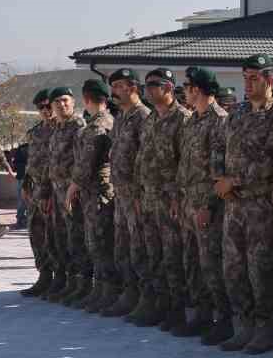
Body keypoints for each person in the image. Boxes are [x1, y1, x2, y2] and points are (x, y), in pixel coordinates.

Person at [215, 55, 273, 353]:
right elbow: (219, 147)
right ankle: (242, 325)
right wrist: (218, 179)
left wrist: (233, 180)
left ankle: (263, 328)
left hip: (260, 205)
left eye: (255, 78)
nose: (248, 84)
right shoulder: (238, 113)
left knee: (260, 269)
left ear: (270, 80)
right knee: (233, 267)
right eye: (245, 78)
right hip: (233, 204)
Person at [135, 69, 192, 331]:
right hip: (148, 198)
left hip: (171, 201)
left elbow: (188, 164)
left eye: (153, 85)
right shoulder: (150, 120)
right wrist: (139, 193)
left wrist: (178, 197)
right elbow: (142, 159)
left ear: (169, 88)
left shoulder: (183, 119)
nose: (147, 90)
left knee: (173, 258)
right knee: (154, 255)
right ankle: (160, 304)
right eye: (146, 85)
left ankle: (177, 310)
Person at [177, 68, 231, 340]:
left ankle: (223, 318)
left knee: (212, 263)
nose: (184, 91)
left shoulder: (219, 120)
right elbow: (186, 165)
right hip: (189, 201)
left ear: (196, 89)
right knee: (193, 262)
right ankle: (201, 313)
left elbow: (219, 170)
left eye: (186, 86)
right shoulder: (193, 120)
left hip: (207, 205)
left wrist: (207, 205)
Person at [103, 68, 150, 318]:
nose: (114, 92)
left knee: (138, 248)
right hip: (120, 193)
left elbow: (145, 159)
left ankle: (146, 298)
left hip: (135, 195)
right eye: (114, 87)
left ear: (132, 87)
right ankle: (129, 293)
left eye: (119, 86)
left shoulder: (144, 117)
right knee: (122, 246)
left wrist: (140, 195)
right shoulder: (122, 117)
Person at [70, 79, 119, 312]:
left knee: (99, 243)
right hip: (100, 192)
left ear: (86, 99)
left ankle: (106, 292)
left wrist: (73, 185)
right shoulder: (110, 121)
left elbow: (86, 163)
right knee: (99, 242)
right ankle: (101, 290)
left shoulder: (98, 126)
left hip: (97, 192)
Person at [47, 86, 89, 303]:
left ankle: (84, 284)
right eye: (57, 102)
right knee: (63, 238)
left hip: (74, 193)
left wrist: (74, 187)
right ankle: (69, 282)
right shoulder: (57, 127)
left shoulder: (78, 125)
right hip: (57, 191)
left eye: (65, 100)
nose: (61, 105)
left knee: (77, 238)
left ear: (73, 102)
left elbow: (82, 161)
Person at [19, 90, 58, 296]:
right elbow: (31, 162)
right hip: (35, 191)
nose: (45, 111)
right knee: (36, 233)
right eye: (40, 107)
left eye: (47, 106)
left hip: (53, 191)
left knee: (56, 236)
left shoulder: (62, 129)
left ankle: (61, 278)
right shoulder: (35, 132)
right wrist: (25, 184)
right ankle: (44, 275)